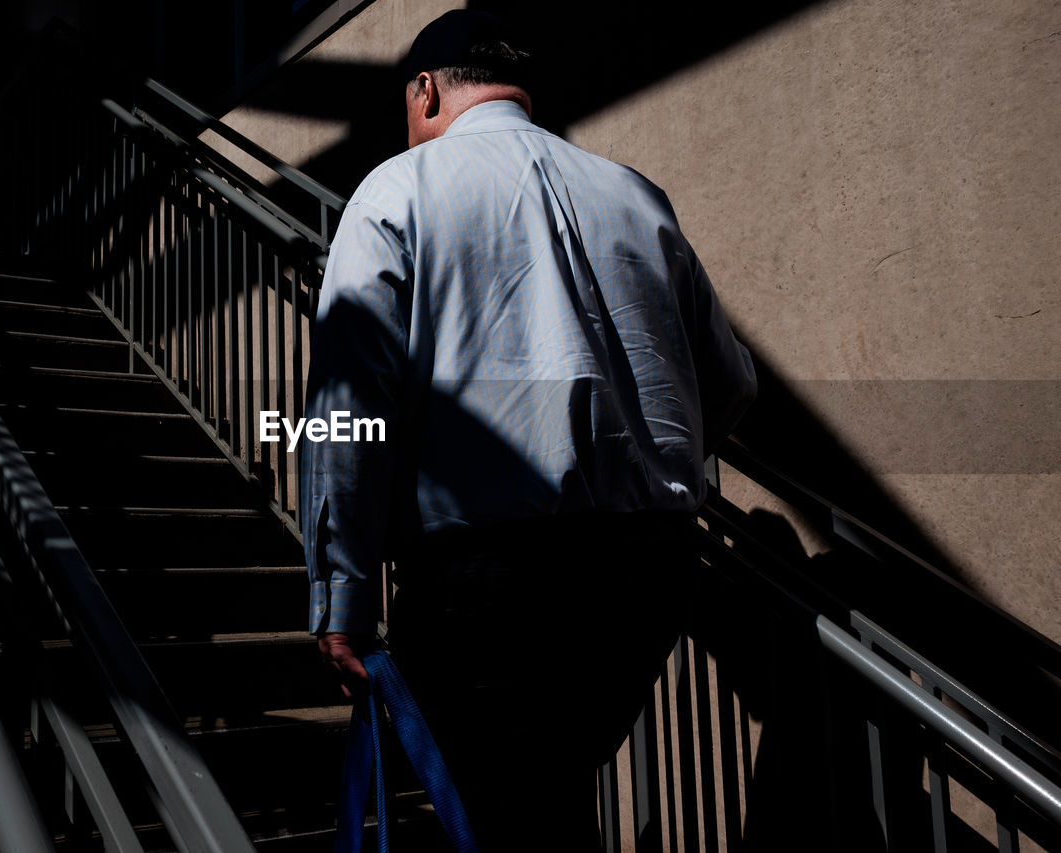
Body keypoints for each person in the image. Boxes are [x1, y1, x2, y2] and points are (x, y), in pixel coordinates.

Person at [301, 10, 757, 850]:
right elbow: (729, 383)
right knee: (543, 793)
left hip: (490, 575)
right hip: (650, 569)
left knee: (504, 806)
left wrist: (343, 594)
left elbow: (346, 411)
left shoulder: (399, 188)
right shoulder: (633, 193)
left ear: (427, 90)